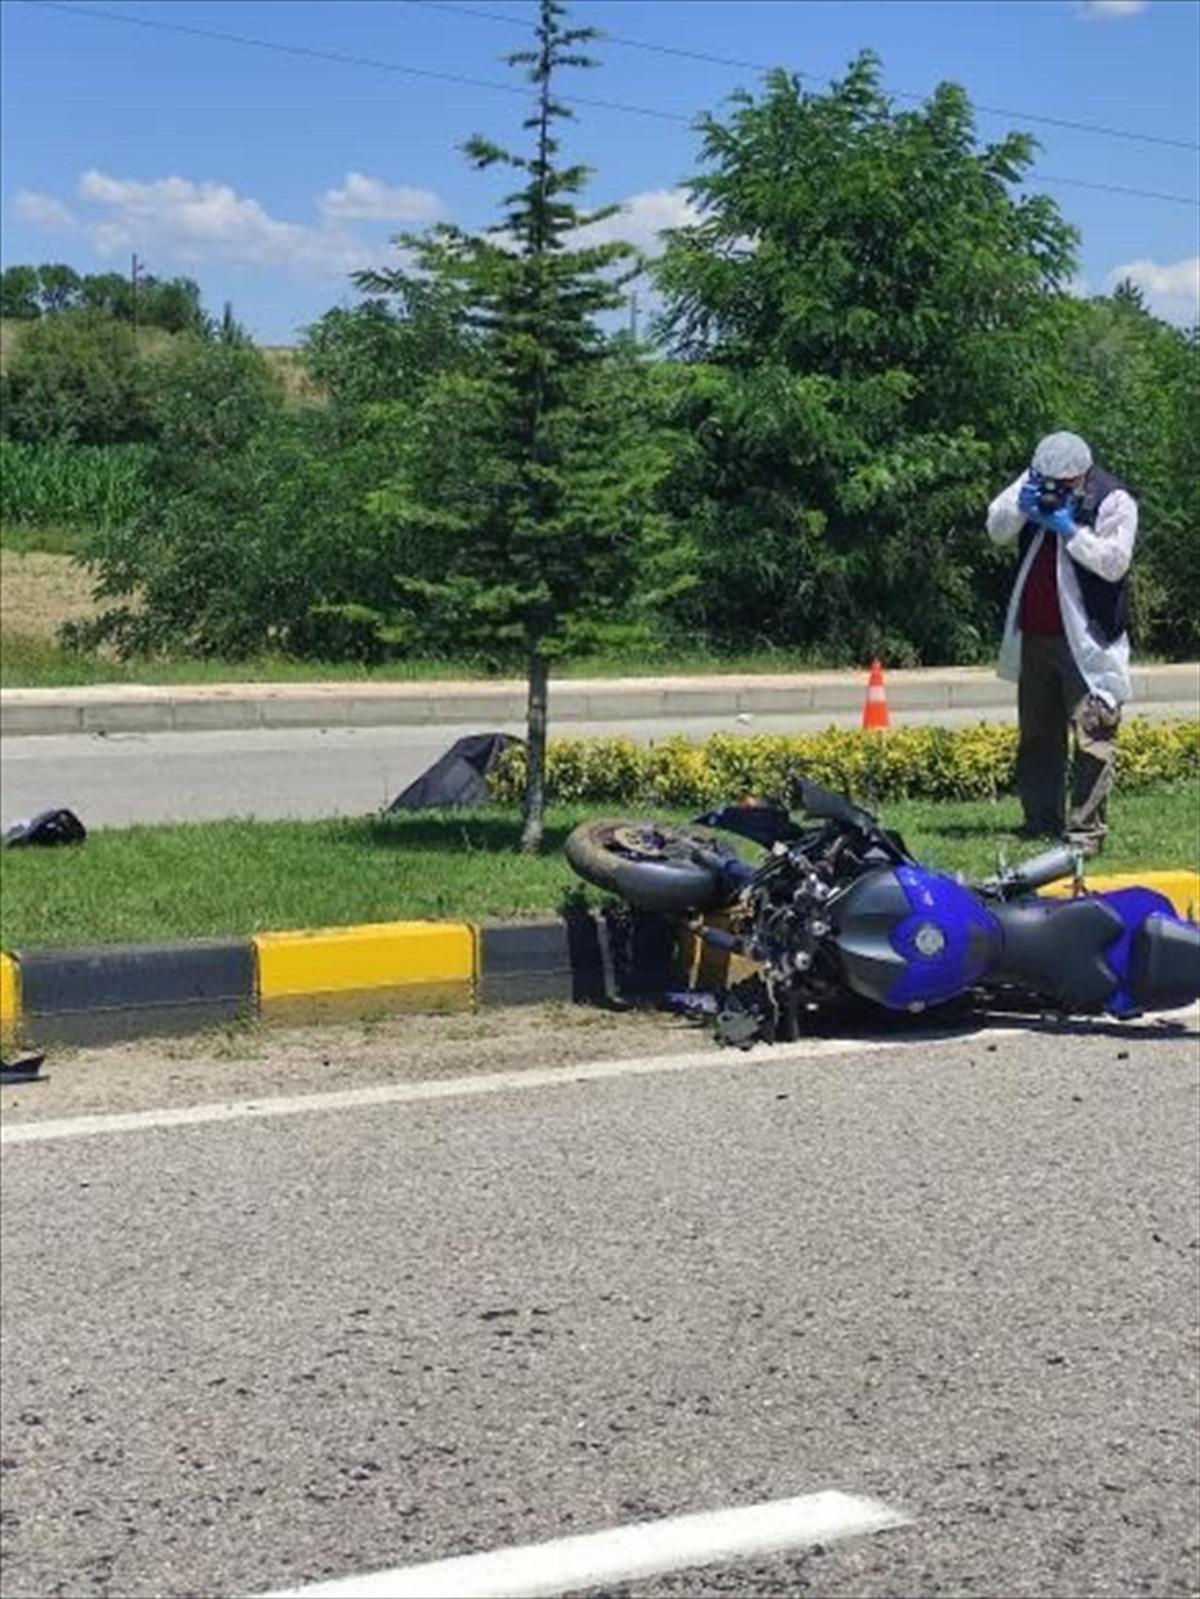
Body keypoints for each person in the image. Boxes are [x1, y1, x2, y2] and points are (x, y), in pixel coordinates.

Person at [986, 430, 1138, 856]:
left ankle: (1085, 834)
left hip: (1087, 642)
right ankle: (1039, 821)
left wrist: (1069, 529)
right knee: (1037, 735)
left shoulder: (1114, 500)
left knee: (1093, 736)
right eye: (1046, 478)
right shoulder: (1035, 479)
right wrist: (1024, 504)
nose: (1054, 486)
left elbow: (1113, 563)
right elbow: (996, 528)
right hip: (1035, 636)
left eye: (1063, 482)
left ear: (1082, 475)